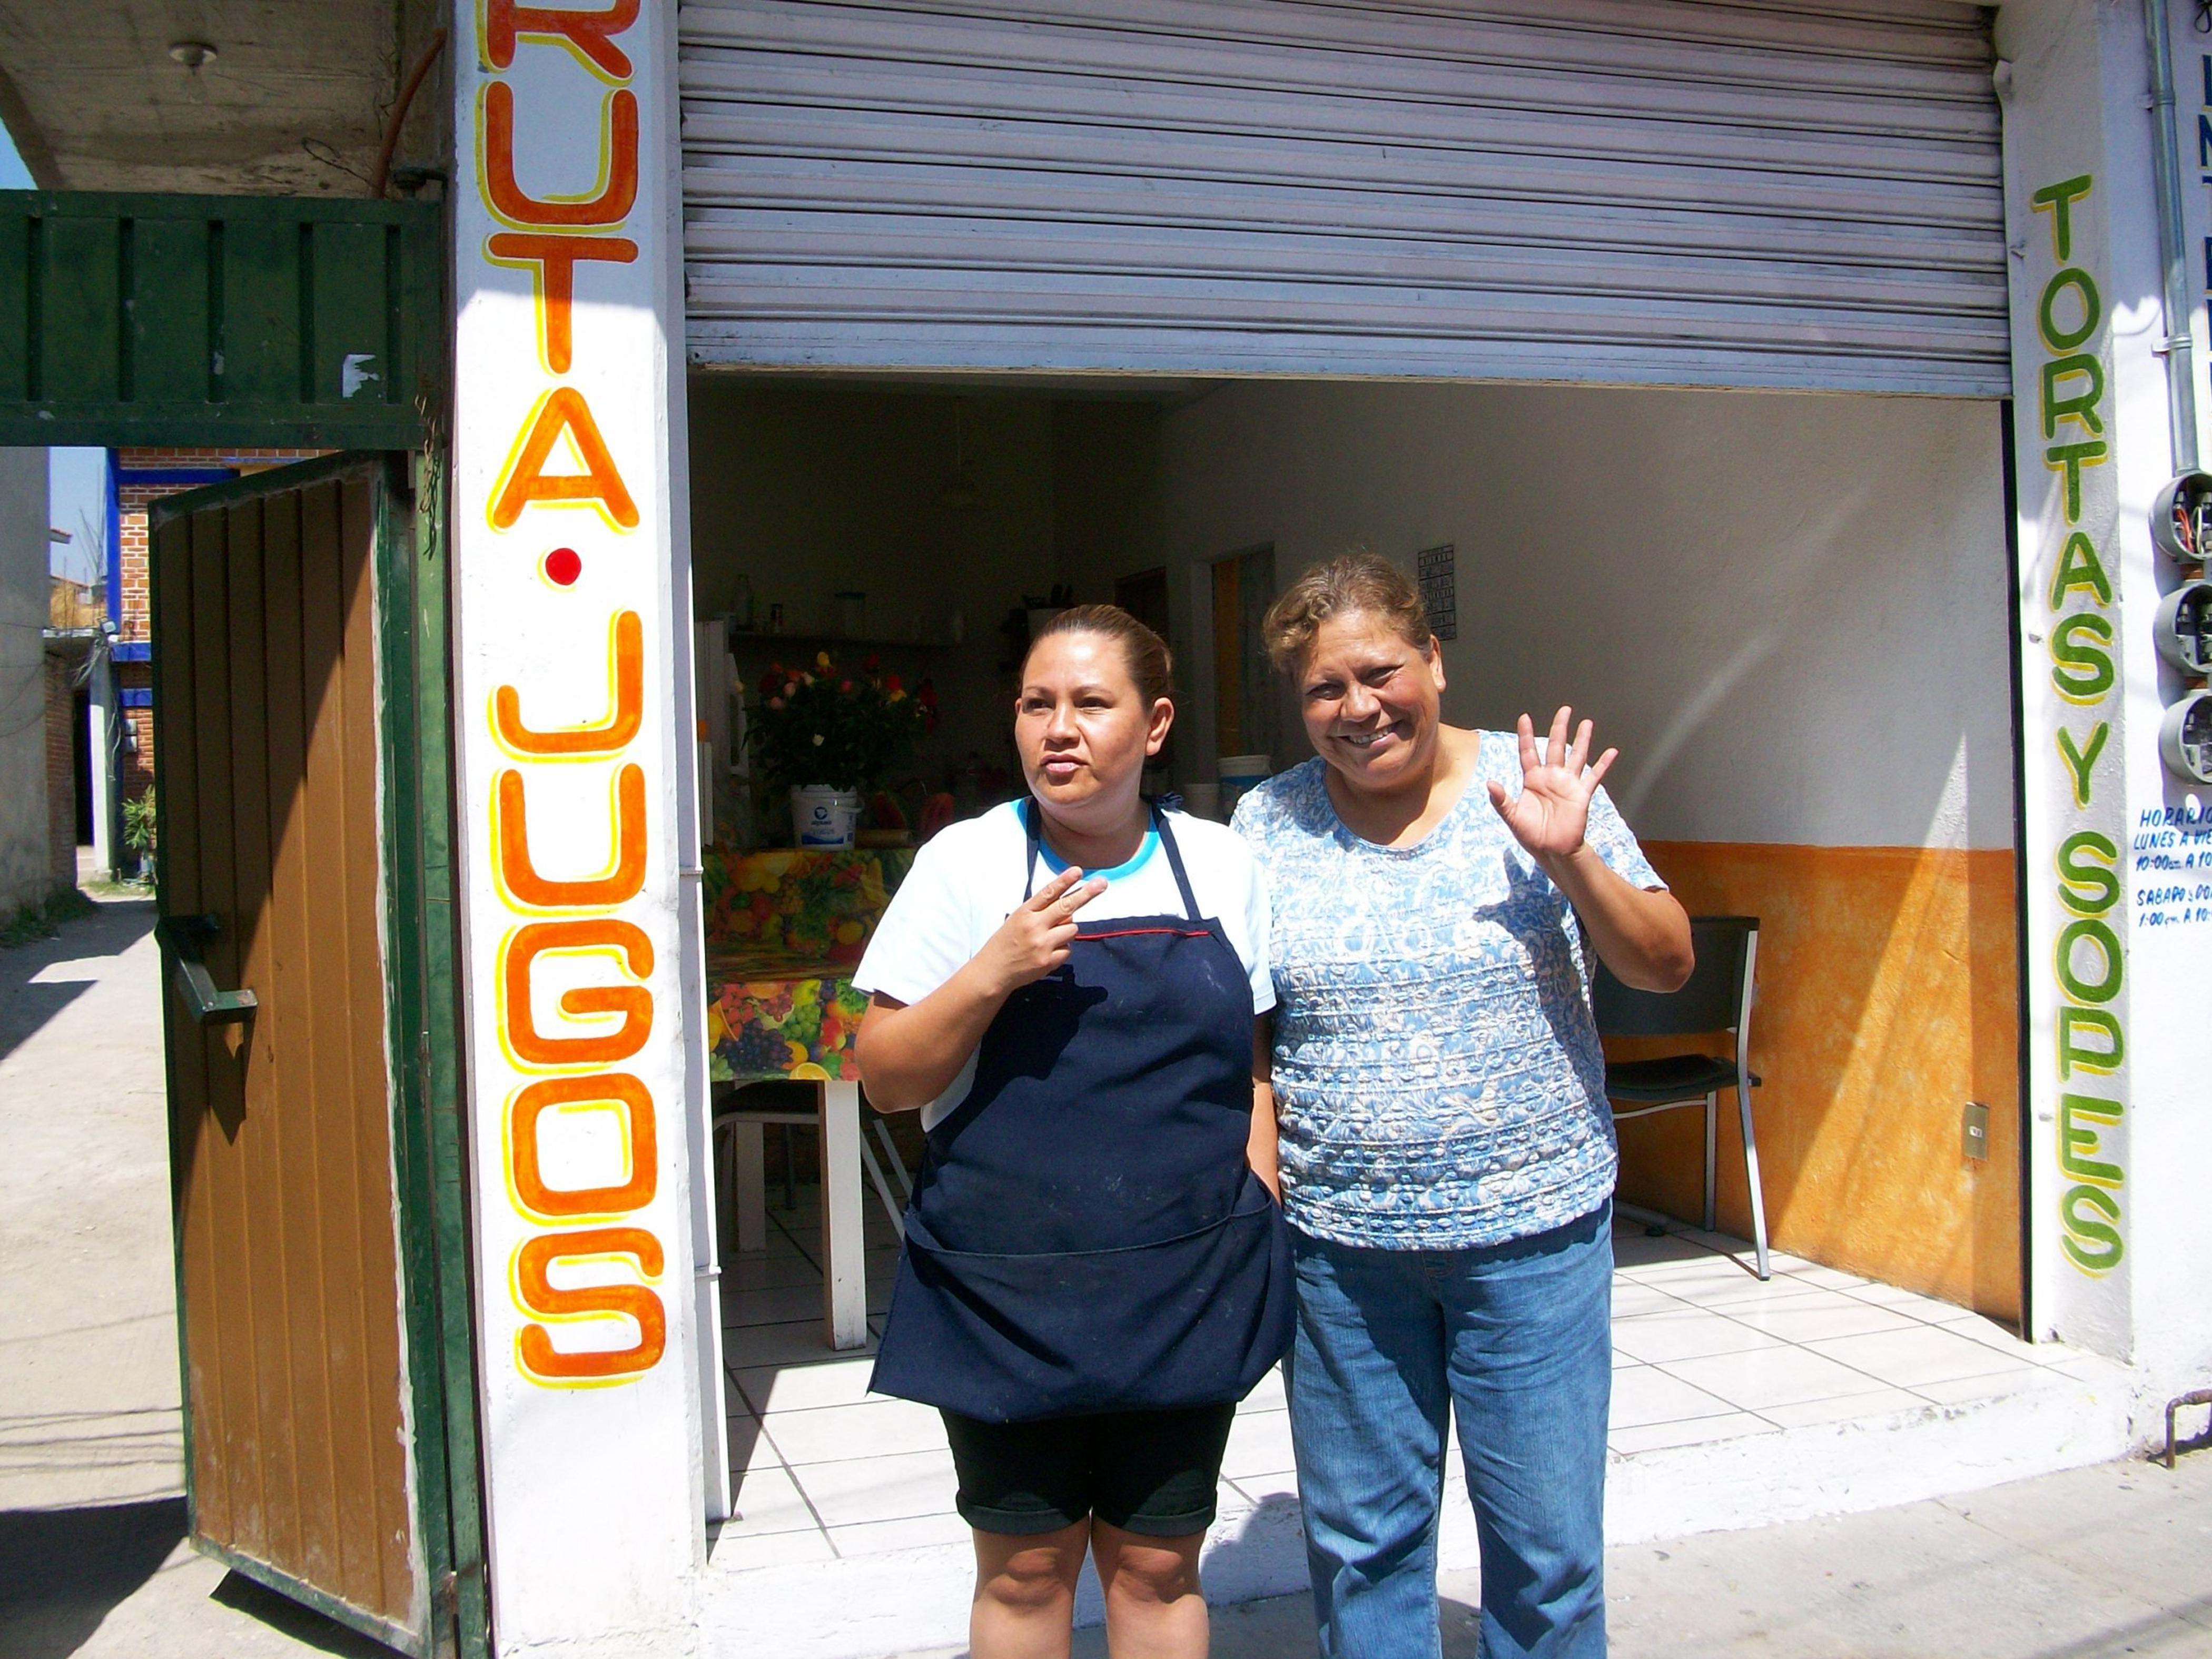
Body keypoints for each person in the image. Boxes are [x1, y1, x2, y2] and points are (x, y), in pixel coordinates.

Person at [1230, 554, 1692, 1659]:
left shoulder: (1537, 787)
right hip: (1344, 1258)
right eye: (1324, 689)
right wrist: (1261, 1195)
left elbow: (1666, 963)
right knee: (1363, 1548)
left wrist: (1572, 860)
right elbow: (1251, 1035)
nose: (1358, 708)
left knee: (1546, 1553)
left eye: (1379, 672)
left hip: (1533, 1242)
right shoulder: (1267, 820)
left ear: (1433, 660)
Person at [853, 604, 1293, 1659]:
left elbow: (1250, 1065)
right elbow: (887, 1076)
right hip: (1005, 1289)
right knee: (1024, 1573)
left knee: (1157, 1566)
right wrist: (994, 970)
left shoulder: (1220, 864)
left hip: (1185, 1283)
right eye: (1036, 704)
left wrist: (1259, 1207)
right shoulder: (965, 865)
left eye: (1091, 703)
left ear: (1155, 725)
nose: (1059, 728)